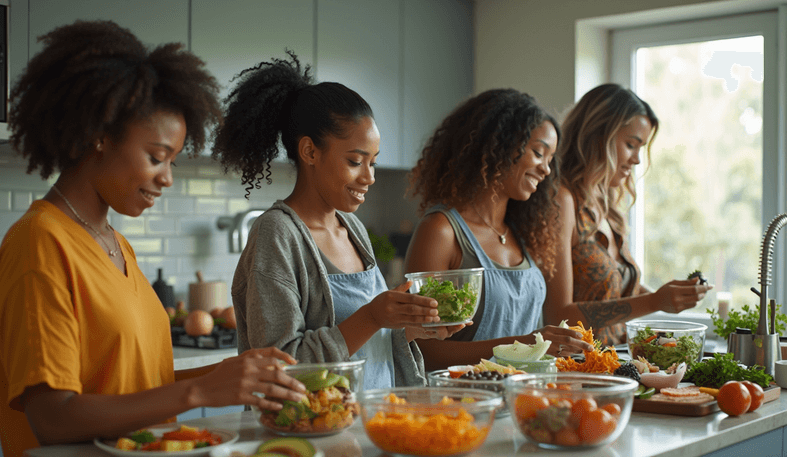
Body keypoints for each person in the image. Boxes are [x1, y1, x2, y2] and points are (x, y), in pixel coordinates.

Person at [0, 21, 307, 457]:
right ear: (98, 135)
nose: (168, 178)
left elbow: (133, 388)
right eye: (157, 157)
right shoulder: (40, 243)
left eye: (173, 161)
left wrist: (226, 374)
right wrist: (199, 394)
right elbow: (53, 419)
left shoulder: (116, 244)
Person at [211, 51, 463, 390]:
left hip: (370, 424)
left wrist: (411, 329)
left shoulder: (352, 228)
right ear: (310, 152)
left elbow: (365, 342)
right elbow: (280, 365)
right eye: (355, 161)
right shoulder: (277, 233)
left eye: (373, 162)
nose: (369, 177)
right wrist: (374, 316)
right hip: (310, 433)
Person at [403, 89, 595, 372]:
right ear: (499, 145)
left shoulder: (526, 234)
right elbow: (424, 351)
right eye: (539, 153)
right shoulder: (441, 232)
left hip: (523, 399)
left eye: (550, 159)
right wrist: (525, 344)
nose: (546, 170)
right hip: (461, 404)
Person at [544, 83, 712, 346]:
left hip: (615, 363)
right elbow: (559, 315)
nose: (636, 160)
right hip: (576, 369)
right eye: (631, 145)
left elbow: (617, 293)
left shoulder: (606, 205)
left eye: (640, 148)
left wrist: (670, 297)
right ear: (598, 135)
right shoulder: (562, 201)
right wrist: (656, 301)